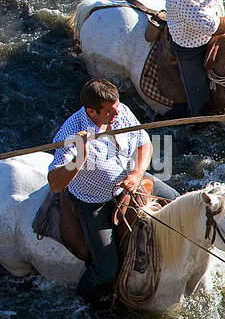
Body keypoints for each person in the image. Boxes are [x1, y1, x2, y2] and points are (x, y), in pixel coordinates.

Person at [47, 78, 180, 305]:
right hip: (94, 201)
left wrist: (138, 173)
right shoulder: (69, 134)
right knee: (106, 269)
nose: (116, 115)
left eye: (116, 108)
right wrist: (79, 159)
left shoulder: (120, 111)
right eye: (109, 112)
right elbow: (55, 183)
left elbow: (144, 143)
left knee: (177, 201)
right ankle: (81, 302)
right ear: (91, 111)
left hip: (130, 180)